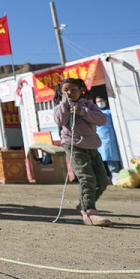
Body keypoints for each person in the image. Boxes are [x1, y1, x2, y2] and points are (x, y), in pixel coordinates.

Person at [53, 78, 113, 227]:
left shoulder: (89, 105)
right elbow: (60, 120)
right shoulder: (60, 106)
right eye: (66, 90)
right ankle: (89, 212)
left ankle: (83, 205)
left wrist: (82, 111)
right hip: (73, 145)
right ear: (61, 93)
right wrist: (65, 104)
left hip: (92, 145)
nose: (70, 92)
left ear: (80, 90)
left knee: (103, 181)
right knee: (87, 177)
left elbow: (102, 120)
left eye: (73, 89)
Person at [94, 96, 121, 178]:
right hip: (99, 137)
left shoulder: (110, 111)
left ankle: (115, 173)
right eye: (97, 102)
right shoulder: (95, 113)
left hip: (109, 136)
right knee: (102, 157)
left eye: (101, 101)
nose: (99, 103)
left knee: (111, 156)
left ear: (105, 101)